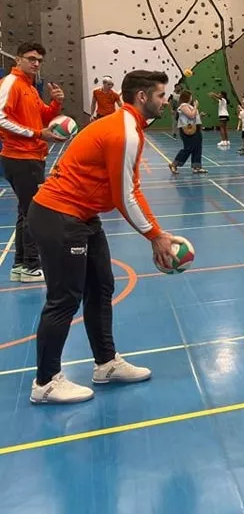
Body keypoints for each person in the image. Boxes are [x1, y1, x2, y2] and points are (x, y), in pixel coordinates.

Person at [28, 70, 179, 404]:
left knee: (101, 287)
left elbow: (130, 188)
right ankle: (46, 382)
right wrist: (155, 235)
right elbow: (125, 195)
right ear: (142, 97)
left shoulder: (129, 127)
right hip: (59, 215)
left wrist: (155, 231)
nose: (164, 101)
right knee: (64, 298)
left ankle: (106, 364)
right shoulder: (123, 131)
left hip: (82, 215)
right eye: (160, 95)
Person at [0, 42, 65, 283]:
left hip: (31, 157)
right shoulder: (11, 83)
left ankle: (20, 265)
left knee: (26, 212)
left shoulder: (30, 86)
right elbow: (0, 118)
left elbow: (44, 116)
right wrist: (37, 135)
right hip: (20, 157)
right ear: (17, 60)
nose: (35, 63)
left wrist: (56, 103)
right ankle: (30, 265)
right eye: (30, 58)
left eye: (39, 60)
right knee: (35, 212)